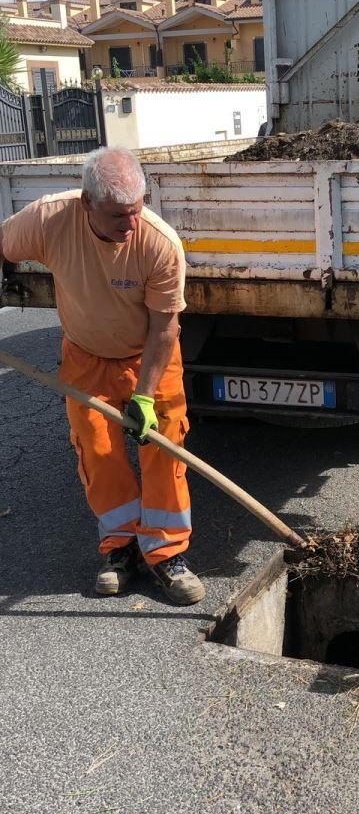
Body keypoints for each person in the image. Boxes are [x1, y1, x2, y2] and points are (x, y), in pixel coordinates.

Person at [0, 146, 205, 605]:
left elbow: (165, 327)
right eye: (117, 215)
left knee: (163, 448)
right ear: (86, 203)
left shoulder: (159, 243)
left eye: (136, 210)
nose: (130, 224)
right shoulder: (49, 220)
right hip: (86, 356)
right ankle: (121, 549)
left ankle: (167, 554)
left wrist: (146, 397)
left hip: (149, 355)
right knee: (97, 450)